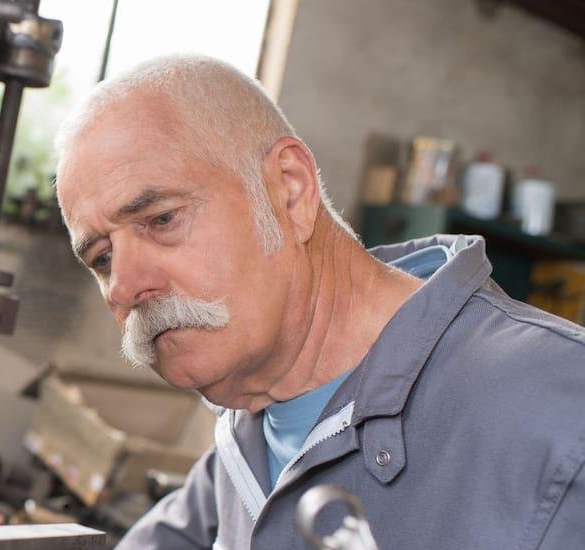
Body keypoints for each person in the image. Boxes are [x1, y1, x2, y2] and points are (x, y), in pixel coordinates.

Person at [53, 54, 585, 549]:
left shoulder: (561, 411)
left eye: (162, 219)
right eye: (101, 258)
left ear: (289, 189)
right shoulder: (248, 441)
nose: (122, 287)